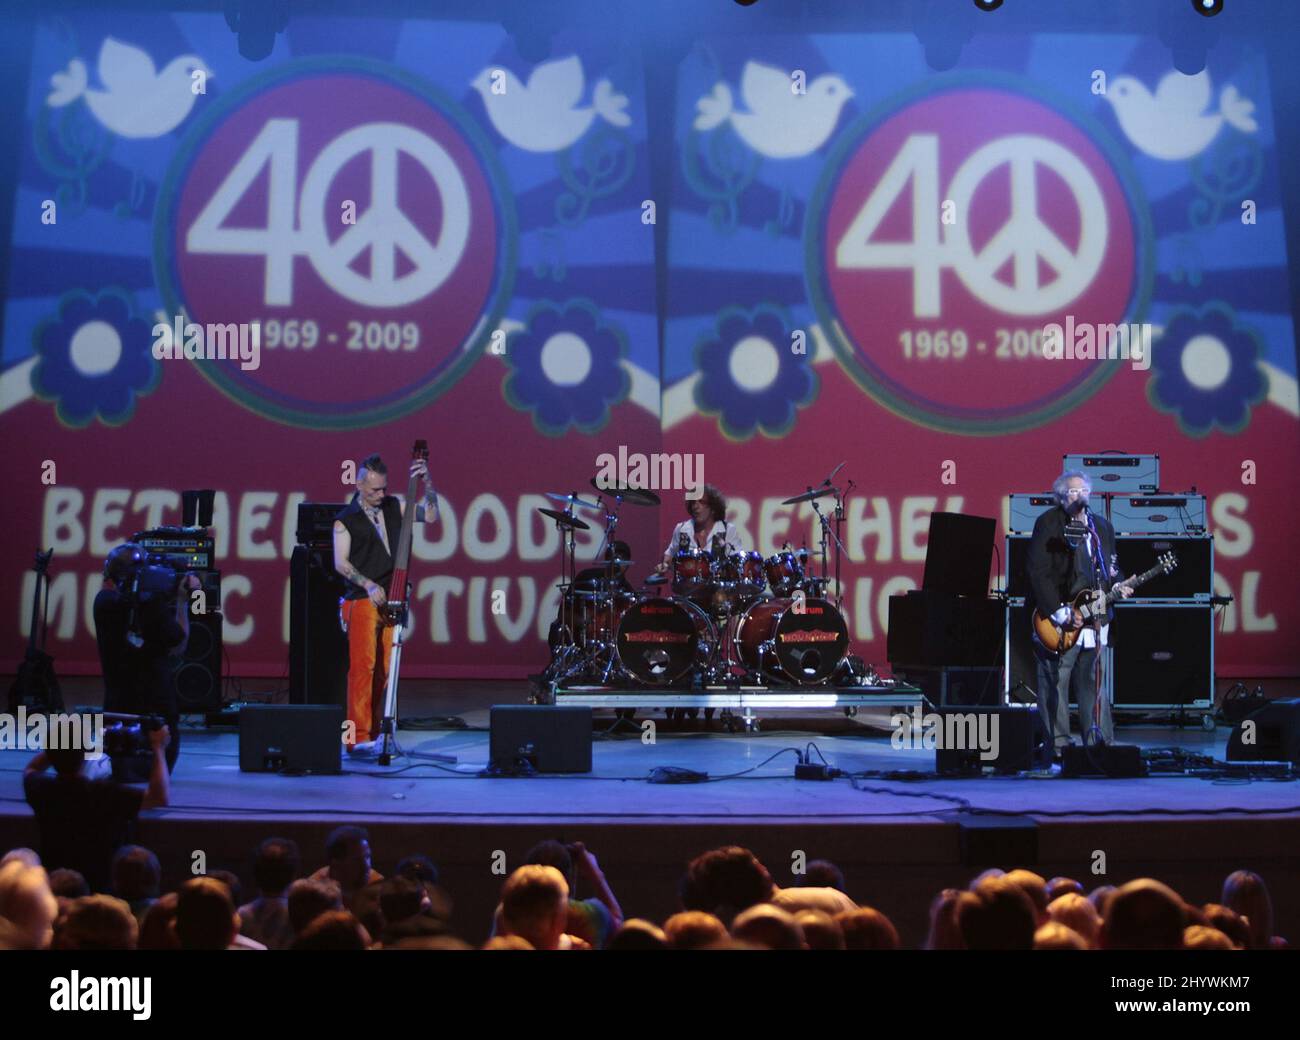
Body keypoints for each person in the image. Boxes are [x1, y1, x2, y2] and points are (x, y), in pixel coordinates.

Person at [333, 452, 438, 754]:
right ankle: (356, 738)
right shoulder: (345, 520)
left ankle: (378, 731)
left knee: (385, 669)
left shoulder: (394, 506)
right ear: (359, 484)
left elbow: (430, 515)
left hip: (392, 598)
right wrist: (367, 583)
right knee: (362, 669)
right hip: (362, 600)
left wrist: (427, 481)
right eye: (374, 489)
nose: (380, 495)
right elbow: (340, 563)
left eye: (383, 488)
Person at [1026, 470, 1131, 757]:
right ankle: (1058, 746)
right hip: (1059, 618)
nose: (1079, 495)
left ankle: (1098, 745)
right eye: (1072, 491)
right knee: (1055, 683)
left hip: (1095, 618)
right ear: (1060, 498)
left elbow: (1110, 567)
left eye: (1083, 490)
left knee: (1093, 683)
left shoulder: (1102, 527)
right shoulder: (1048, 523)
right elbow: (1038, 573)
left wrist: (1119, 583)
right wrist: (1059, 613)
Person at [23, 725, 170, 892]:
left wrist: (58, 747)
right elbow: (159, 796)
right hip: (102, 887)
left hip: (56, 884)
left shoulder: (41, 789)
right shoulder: (105, 793)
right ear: (86, 754)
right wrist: (159, 747)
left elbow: (31, 769)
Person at [94, 544, 201, 772]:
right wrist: (182, 602)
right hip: (156, 719)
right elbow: (179, 645)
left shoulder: (102, 603)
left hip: (117, 716)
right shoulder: (154, 610)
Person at [655, 484, 741, 574]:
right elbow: (670, 554)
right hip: (686, 586)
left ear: (713, 507)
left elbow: (737, 562)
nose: (695, 507)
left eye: (701, 502)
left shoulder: (727, 530)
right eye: (693, 503)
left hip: (718, 587)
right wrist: (664, 565)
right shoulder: (682, 529)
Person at [308, 826, 382, 911]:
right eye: (356, 860)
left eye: (367, 857)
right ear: (335, 863)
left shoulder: (377, 885)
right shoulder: (315, 892)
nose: (366, 865)